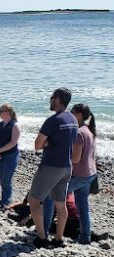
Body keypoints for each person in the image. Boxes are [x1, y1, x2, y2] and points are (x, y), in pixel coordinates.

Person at [28, 88, 78, 248]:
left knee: (34, 200)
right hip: (66, 166)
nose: (50, 100)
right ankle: (58, 238)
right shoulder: (72, 119)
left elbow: (37, 144)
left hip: (51, 166)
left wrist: (47, 143)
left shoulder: (53, 120)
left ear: (57, 100)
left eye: (51, 98)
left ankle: (42, 237)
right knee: (60, 203)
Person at [44, 104, 97, 244]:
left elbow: (75, 158)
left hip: (80, 175)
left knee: (50, 196)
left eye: (73, 112)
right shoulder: (88, 130)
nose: (70, 114)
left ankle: (44, 230)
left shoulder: (79, 133)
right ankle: (85, 237)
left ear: (79, 115)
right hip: (90, 173)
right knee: (82, 205)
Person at [0, 103, 21, 207]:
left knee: (6, 179)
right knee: (2, 178)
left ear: (8, 113)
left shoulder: (15, 125)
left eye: (1, 111)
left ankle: (6, 201)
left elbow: (13, 142)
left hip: (10, 156)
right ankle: (4, 199)